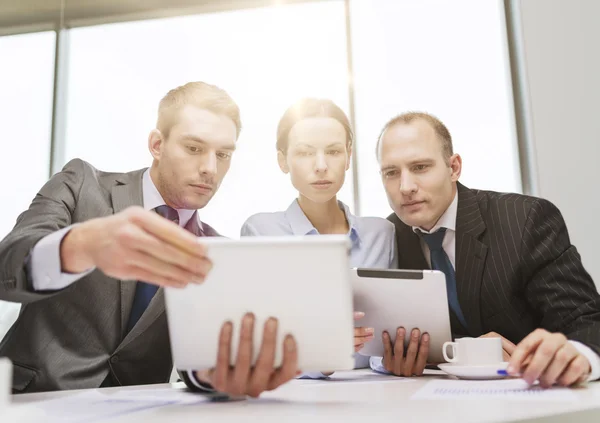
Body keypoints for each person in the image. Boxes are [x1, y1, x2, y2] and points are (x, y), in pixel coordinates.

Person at [0, 81, 298, 397]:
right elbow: (6, 268)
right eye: (194, 148)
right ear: (157, 144)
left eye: (223, 154)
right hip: (29, 399)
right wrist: (81, 246)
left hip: (138, 410)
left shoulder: (216, 250)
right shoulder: (81, 184)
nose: (210, 169)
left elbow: (196, 361)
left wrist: (215, 374)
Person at [374, 111, 600, 388]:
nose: (405, 187)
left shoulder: (526, 220)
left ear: (454, 167)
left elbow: (586, 319)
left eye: (420, 167)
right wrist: (391, 358)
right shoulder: (389, 236)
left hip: (534, 394)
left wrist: (580, 357)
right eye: (391, 172)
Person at [241, 98, 397, 377]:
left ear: (349, 156)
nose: (321, 165)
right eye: (304, 153)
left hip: (376, 394)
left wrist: (389, 361)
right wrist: (319, 355)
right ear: (282, 160)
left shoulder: (381, 234)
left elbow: (391, 335)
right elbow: (256, 344)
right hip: (294, 397)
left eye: (334, 151)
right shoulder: (261, 232)